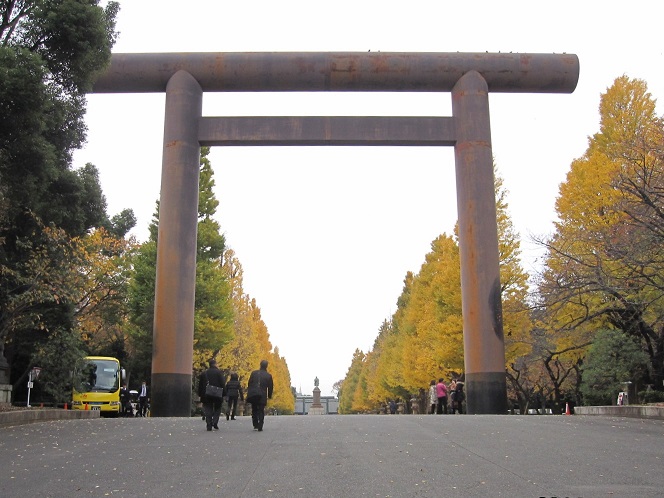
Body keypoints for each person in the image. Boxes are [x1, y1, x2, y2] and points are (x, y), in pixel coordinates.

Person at [197, 359, 226, 431]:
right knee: (217, 408)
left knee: (208, 408)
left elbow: (200, 385)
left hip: (207, 394)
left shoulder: (205, 373)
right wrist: (224, 393)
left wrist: (200, 394)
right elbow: (222, 383)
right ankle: (215, 421)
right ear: (215, 364)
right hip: (217, 393)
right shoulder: (219, 373)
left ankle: (209, 424)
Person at [246, 359, 273, 432]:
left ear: (260, 365)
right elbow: (270, 387)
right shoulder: (268, 376)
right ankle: (260, 425)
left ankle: (255, 424)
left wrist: (250, 390)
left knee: (254, 409)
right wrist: (269, 395)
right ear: (266, 366)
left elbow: (249, 383)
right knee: (261, 410)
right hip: (262, 394)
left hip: (254, 393)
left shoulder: (254, 373)